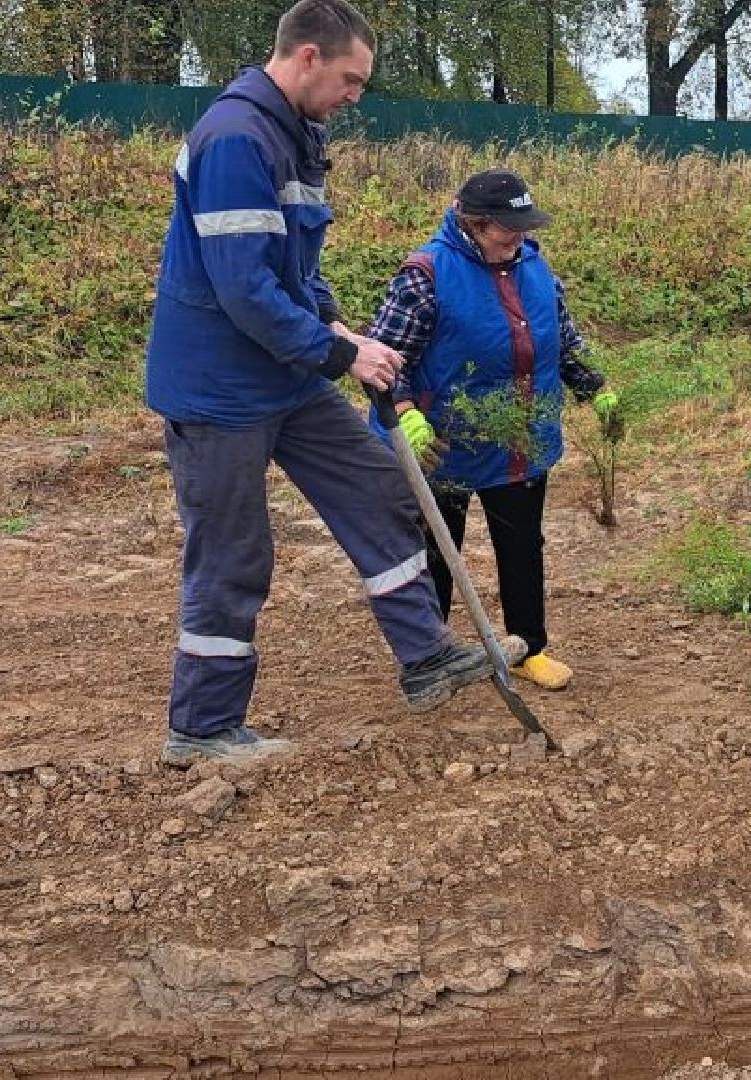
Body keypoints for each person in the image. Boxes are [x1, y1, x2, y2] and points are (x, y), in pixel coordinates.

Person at [144, 0, 507, 766]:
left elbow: (292, 269)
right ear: (307, 57)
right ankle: (202, 729)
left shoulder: (294, 136)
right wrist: (337, 355)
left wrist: (340, 329)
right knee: (234, 553)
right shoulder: (237, 139)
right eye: (350, 79)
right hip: (218, 388)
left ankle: (425, 657)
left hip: (282, 373)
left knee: (378, 487)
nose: (354, 97)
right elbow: (242, 287)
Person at [365, 167, 616, 691]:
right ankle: (429, 657)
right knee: (436, 551)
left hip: (521, 437)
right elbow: (383, 360)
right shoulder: (425, 274)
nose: (518, 237)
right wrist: (407, 410)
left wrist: (597, 389)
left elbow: (564, 343)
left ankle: (530, 647)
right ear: (474, 224)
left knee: (522, 543)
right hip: (441, 443)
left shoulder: (537, 268)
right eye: (507, 228)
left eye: (523, 226)